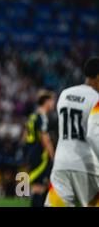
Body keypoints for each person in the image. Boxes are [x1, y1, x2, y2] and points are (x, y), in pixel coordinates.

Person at [46, 57, 99, 207]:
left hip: (61, 164)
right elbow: (94, 135)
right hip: (88, 167)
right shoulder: (97, 99)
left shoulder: (64, 94)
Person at [23, 89, 55, 207]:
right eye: (52, 100)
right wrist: (53, 156)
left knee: (40, 186)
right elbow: (45, 139)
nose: (53, 104)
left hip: (31, 153)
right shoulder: (42, 117)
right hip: (40, 155)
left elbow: (25, 136)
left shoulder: (33, 116)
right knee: (39, 187)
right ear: (46, 101)